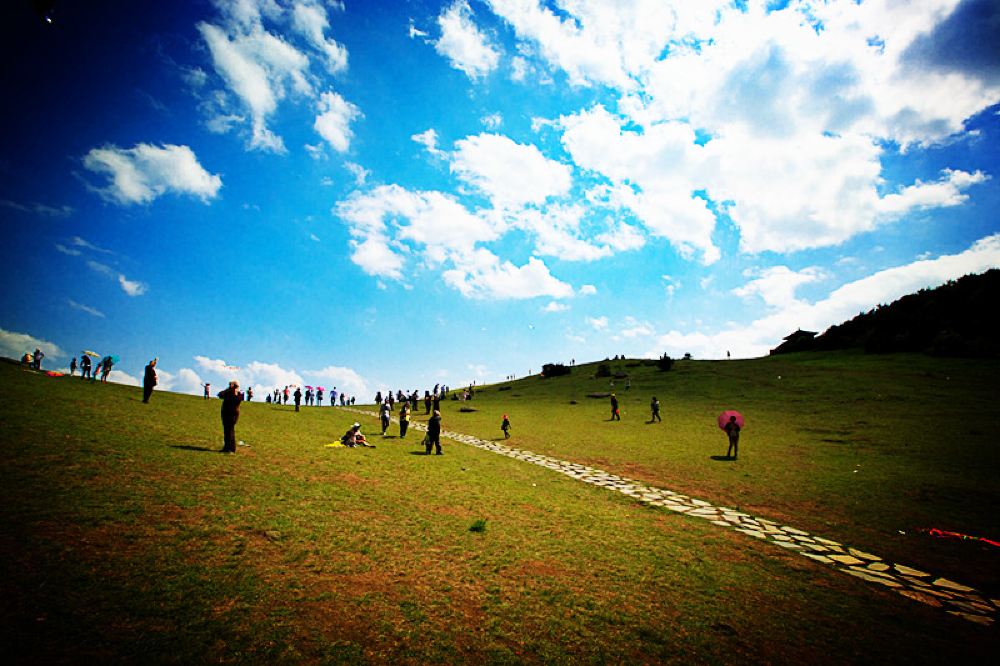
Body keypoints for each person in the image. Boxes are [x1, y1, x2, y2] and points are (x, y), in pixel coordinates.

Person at [218, 380, 243, 453]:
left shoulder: (236, 394)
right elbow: (220, 395)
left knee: (229, 431)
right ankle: (230, 448)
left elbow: (221, 395)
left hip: (231, 414)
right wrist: (229, 389)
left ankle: (228, 448)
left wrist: (230, 390)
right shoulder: (232, 393)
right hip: (229, 414)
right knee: (229, 431)